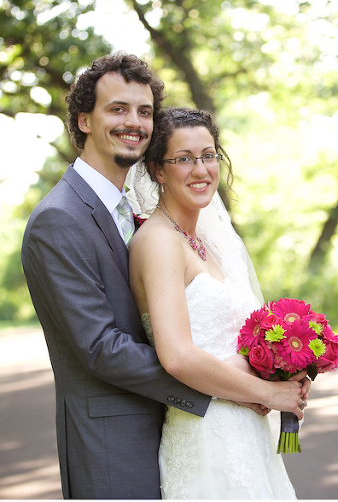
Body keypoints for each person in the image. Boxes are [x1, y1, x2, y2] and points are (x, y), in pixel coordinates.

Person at [21, 54, 307, 499]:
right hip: (113, 441)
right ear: (83, 120)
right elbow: (100, 347)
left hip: (180, 427)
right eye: (117, 109)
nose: (133, 122)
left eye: (145, 111)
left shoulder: (133, 215)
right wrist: (233, 381)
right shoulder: (58, 219)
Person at [127, 107, 306, 499]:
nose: (201, 169)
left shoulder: (207, 241)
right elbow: (176, 356)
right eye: (184, 159)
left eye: (208, 156)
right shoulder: (158, 241)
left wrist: (276, 367)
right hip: (207, 432)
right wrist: (269, 394)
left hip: (245, 430)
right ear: (158, 170)